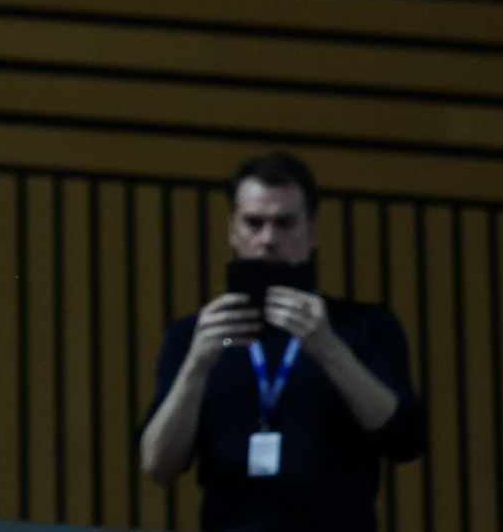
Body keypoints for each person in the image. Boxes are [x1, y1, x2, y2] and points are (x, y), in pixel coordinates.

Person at [138, 152, 427, 530]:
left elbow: (405, 440)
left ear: (312, 231)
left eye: (285, 223)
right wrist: (196, 365)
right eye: (254, 223)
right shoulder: (195, 336)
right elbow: (158, 466)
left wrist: (328, 348)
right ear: (232, 231)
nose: (269, 239)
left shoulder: (366, 326)